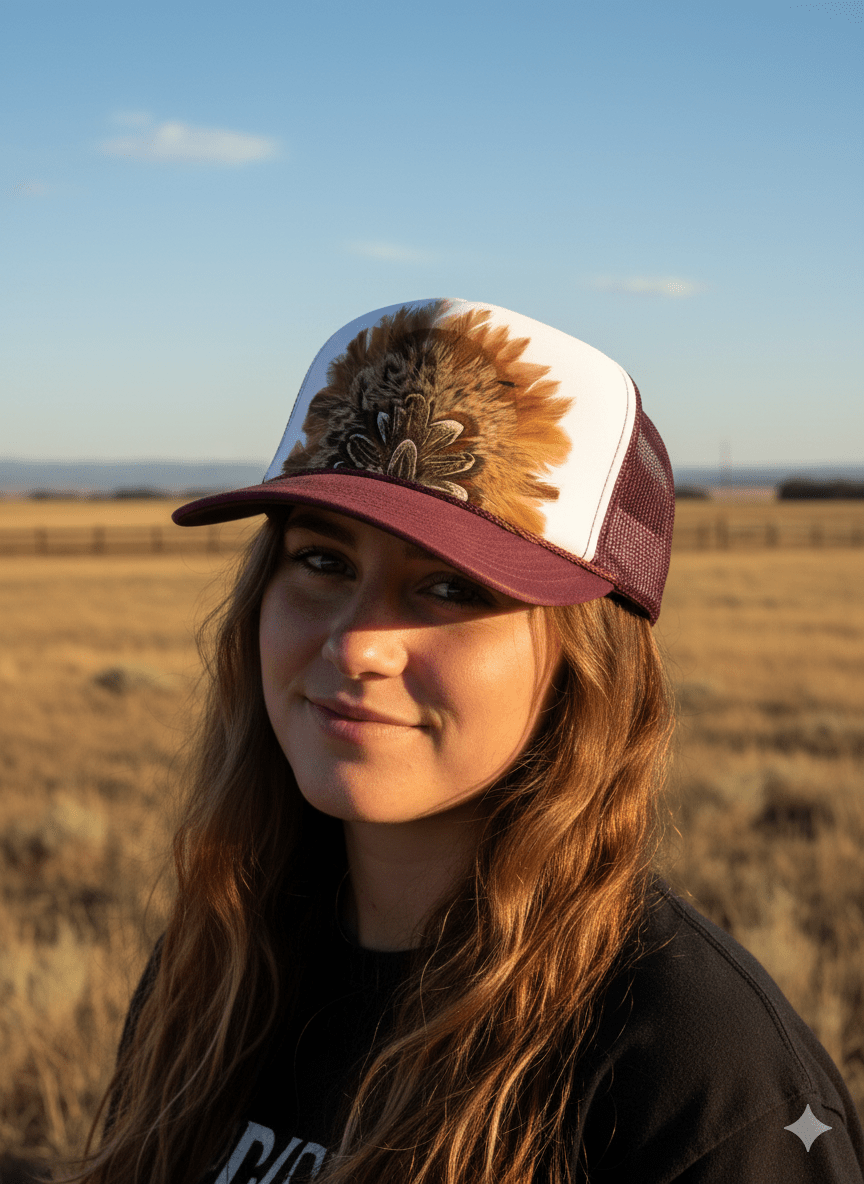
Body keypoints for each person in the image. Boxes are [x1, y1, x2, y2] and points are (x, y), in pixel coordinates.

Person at [67, 300, 864, 1183]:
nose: (356, 644)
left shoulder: (698, 1077)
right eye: (323, 562)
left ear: (585, 665)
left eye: (448, 587)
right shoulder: (219, 968)